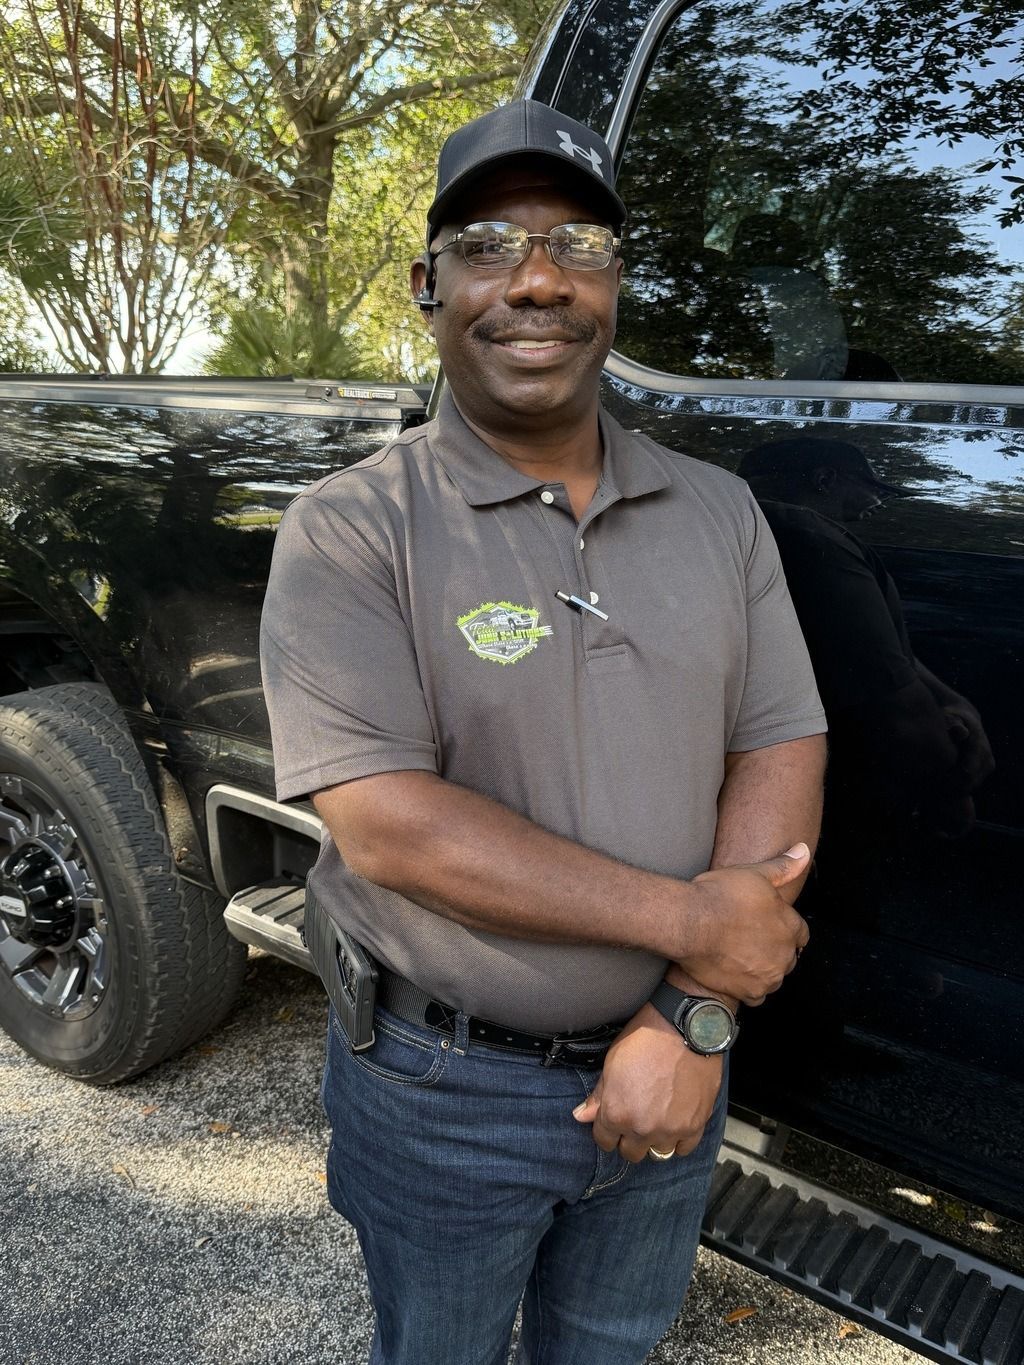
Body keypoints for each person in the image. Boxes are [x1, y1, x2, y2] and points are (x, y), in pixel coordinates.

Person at [261, 100, 827, 1365]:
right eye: (486, 245)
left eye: (576, 243)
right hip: (441, 1087)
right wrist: (699, 930)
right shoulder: (354, 529)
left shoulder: (721, 513)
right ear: (428, 284)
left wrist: (690, 1019)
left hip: (676, 1063)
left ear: (615, 283)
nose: (535, 281)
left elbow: (779, 742)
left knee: (612, 1349)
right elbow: (391, 827)